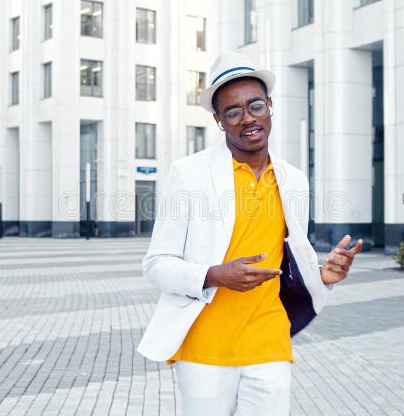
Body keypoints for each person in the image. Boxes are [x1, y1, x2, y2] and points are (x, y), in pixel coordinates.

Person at [137, 52, 363, 416]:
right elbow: (156, 264)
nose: (247, 118)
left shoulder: (294, 180)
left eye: (255, 105)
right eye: (233, 111)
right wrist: (214, 274)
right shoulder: (189, 174)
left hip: (269, 337)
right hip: (205, 342)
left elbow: (286, 260)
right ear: (219, 120)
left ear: (270, 106)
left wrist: (324, 276)